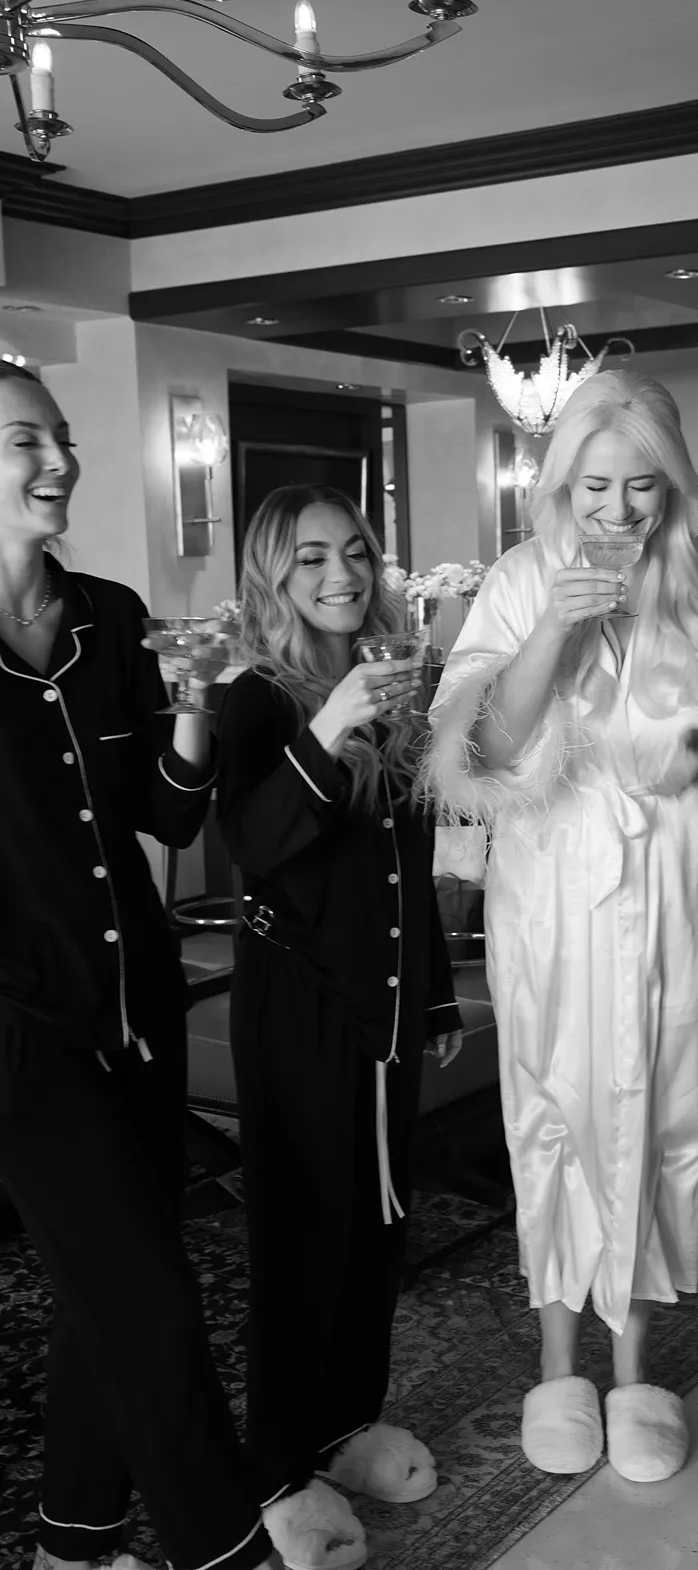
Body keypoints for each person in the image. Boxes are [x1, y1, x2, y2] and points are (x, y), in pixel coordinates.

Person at [426, 371, 698, 1485]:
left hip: (665, 883)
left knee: (665, 1103)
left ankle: (635, 1363)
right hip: (545, 884)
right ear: (560, 483)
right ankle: (558, 1361)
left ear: (672, 483)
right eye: (596, 485)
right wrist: (555, 625)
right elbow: (480, 753)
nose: (618, 510)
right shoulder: (516, 577)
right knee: (545, 1099)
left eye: (643, 485)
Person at [0, 360, 276, 1570]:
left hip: (139, 1008)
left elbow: (167, 821)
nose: (60, 462)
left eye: (61, 440)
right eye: (27, 442)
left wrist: (192, 706)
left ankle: (77, 1532)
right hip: (19, 1035)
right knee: (151, 1302)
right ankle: (228, 1551)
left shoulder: (112, 616)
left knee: (117, 1283)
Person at [215, 485, 462, 1570]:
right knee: (301, 1241)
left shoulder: (397, 683)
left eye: (356, 551)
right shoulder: (254, 704)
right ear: (274, 575)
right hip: (300, 1013)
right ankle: (277, 1470)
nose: (341, 574)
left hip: (386, 1006)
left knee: (375, 1230)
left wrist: (437, 992)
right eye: (312, 557)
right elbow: (259, 843)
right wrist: (330, 722)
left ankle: (347, 1423)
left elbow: (408, 862)